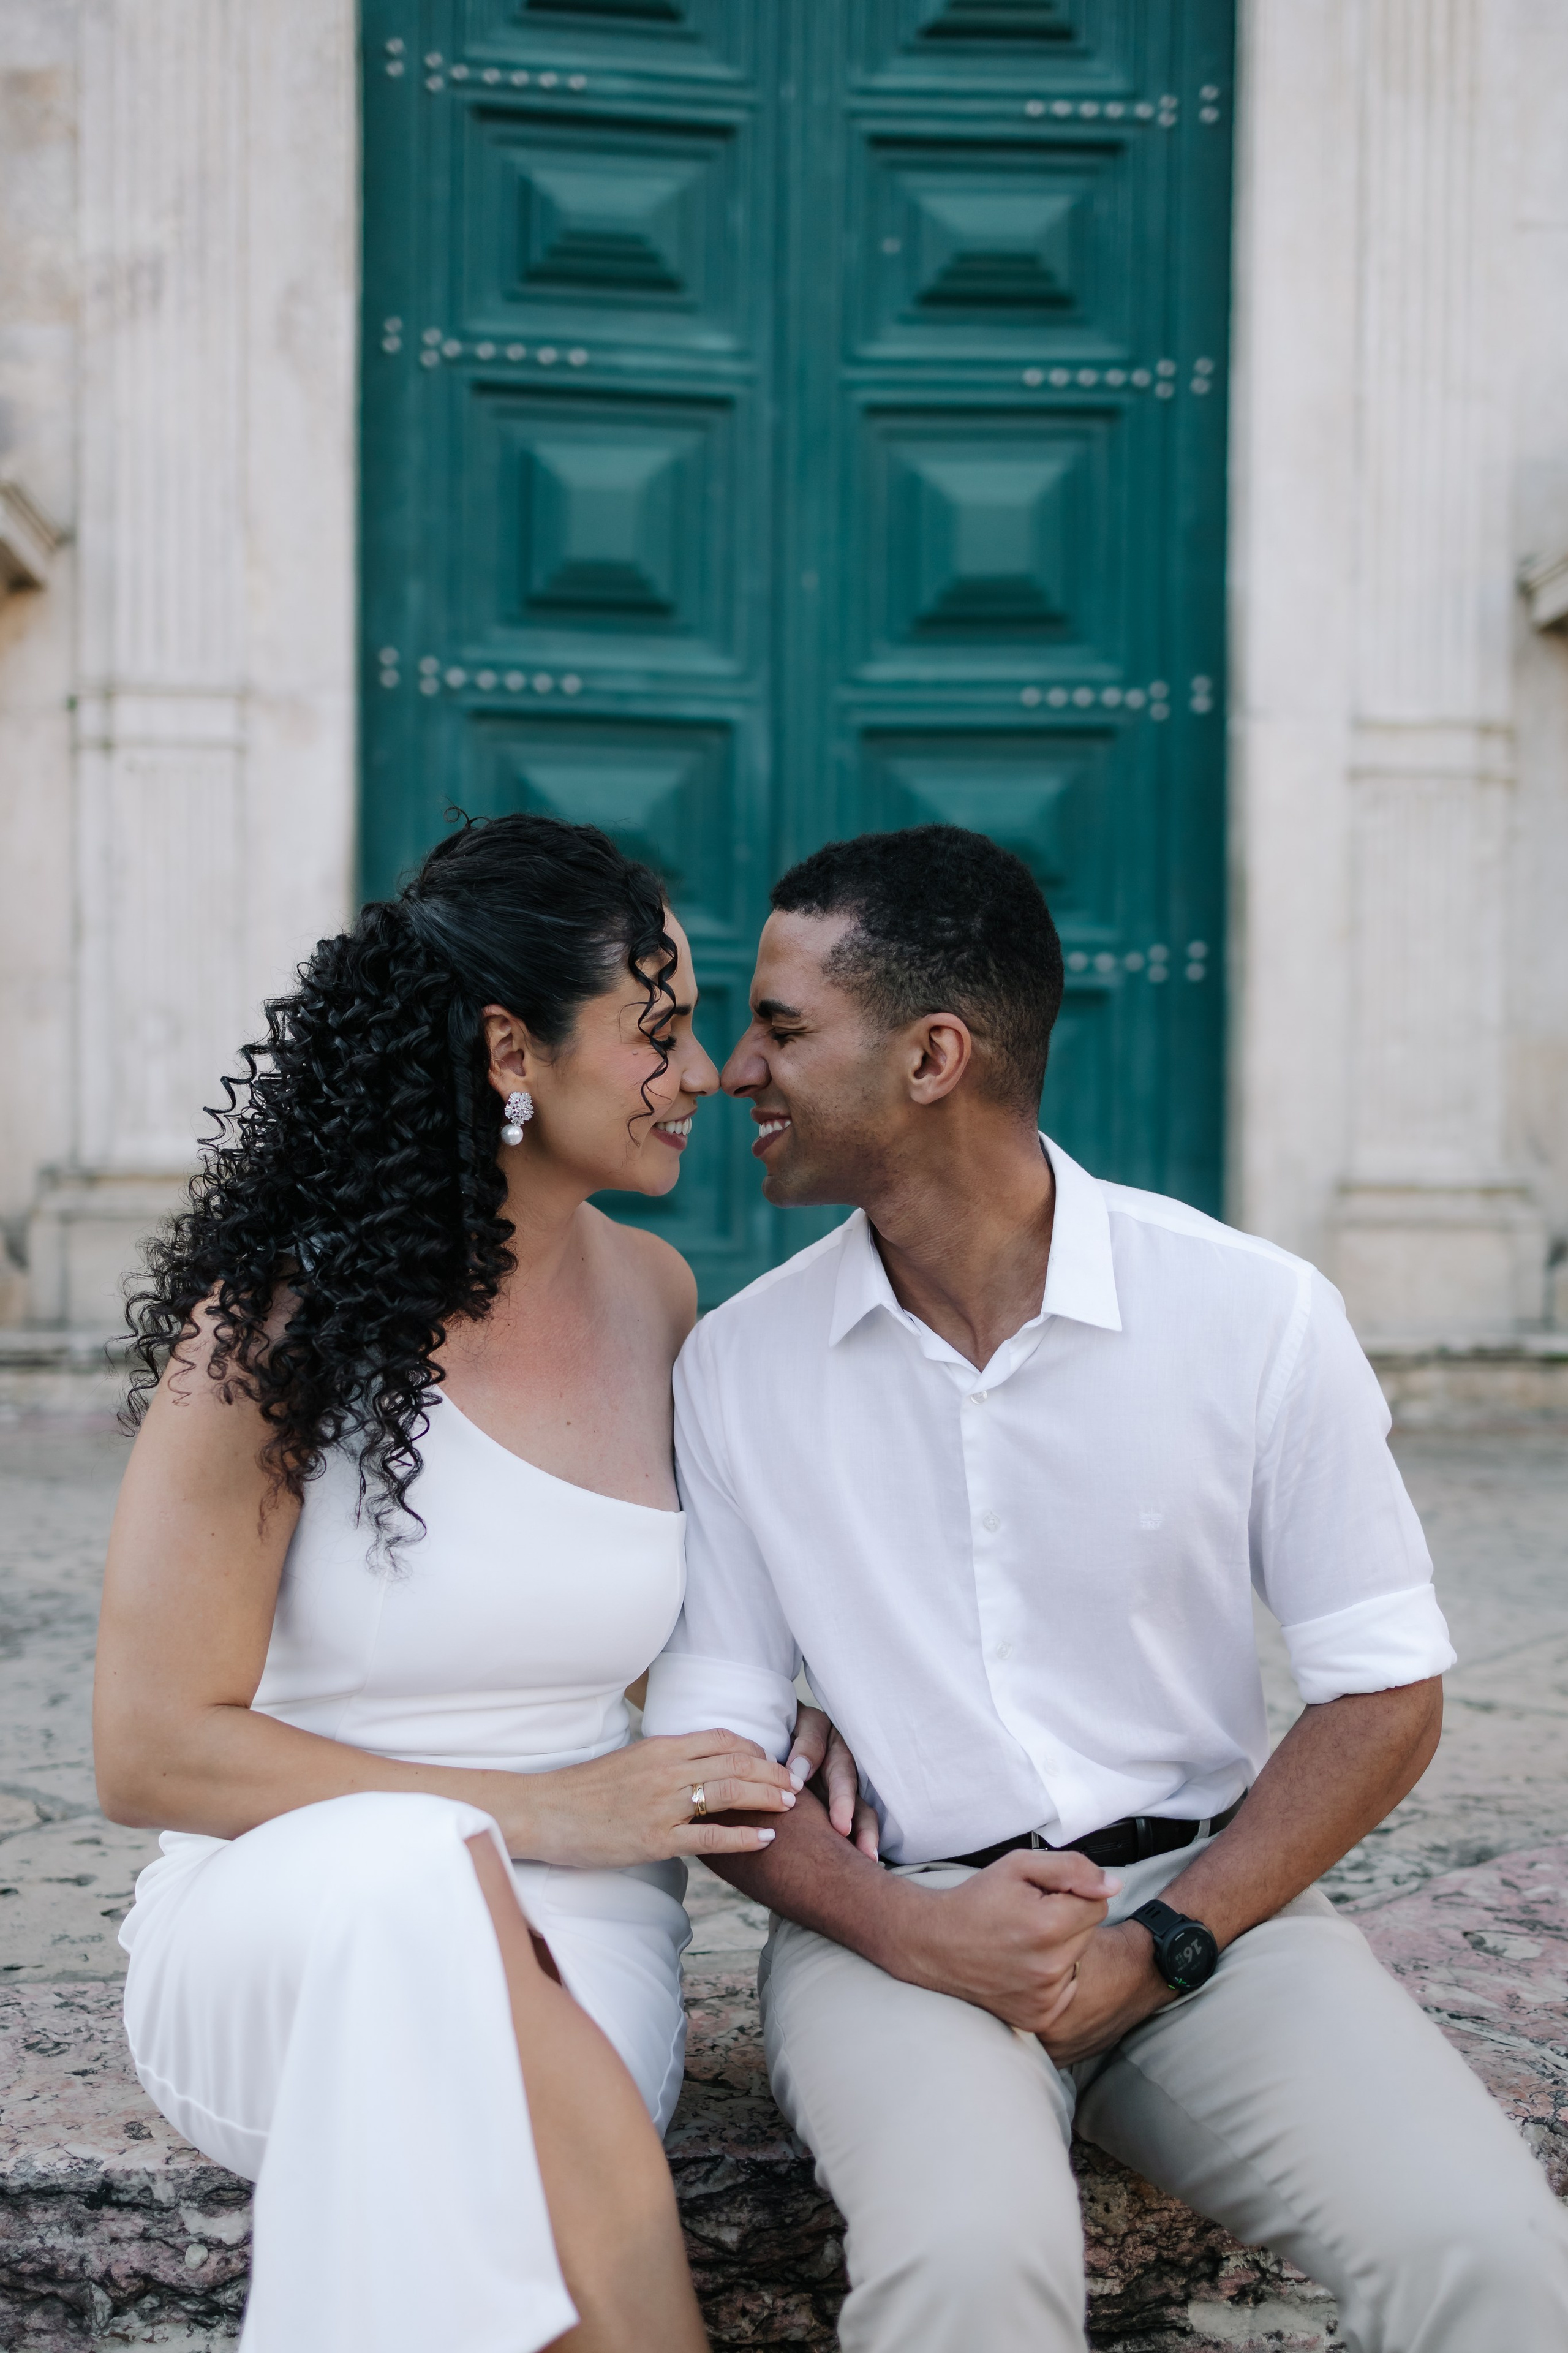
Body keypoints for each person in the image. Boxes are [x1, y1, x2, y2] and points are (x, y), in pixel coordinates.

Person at [643, 823, 1568, 2353]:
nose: (737, 1068)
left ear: (932, 1055)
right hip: (897, 1939)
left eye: (784, 1027)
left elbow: (1384, 1685)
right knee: (965, 2272)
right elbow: (712, 1751)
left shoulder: (1251, 1314)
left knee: (1493, 2256)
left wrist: (1166, 1945)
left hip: (1213, 1923)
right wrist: (907, 1929)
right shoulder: (739, 1367)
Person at [93, 812, 856, 2353]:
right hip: (287, 1915)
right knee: (409, 1881)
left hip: (583, 1930)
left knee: (459, 1980)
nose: (704, 1071)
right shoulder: (279, 1329)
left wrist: (787, 1711)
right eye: (658, 1028)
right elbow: (149, 1746)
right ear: (511, 1047)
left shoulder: (655, 1295)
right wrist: (540, 1810)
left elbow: (634, 1619)